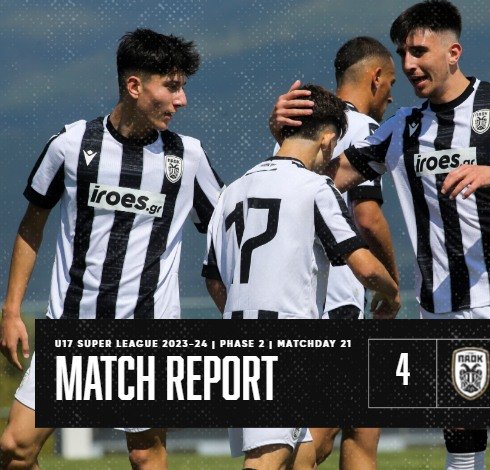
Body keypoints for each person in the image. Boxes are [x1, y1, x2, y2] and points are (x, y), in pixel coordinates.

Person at [270, 1, 490, 469]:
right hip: (441, 307)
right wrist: (284, 133)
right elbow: (324, 176)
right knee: (463, 447)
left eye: (418, 51)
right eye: (402, 54)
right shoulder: (404, 127)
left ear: (453, 52)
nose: (409, 64)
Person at [0, 28, 223, 469]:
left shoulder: (188, 157)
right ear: (134, 86)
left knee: (144, 455)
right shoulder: (70, 145)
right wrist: (11, 310)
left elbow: (227, 233)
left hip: (148, 332)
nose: (181, 100)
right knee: (15, 448)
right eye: (171, 87)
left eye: (182, 87)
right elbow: (31, 227)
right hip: (73, 326)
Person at [203, 83, 400, 470]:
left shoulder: (232, 191)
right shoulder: (315, 187)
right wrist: (392, 294)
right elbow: (363, 266)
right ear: (327, 139)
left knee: (301, 458)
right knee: (265, 462)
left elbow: (213, 278)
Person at [275, 36, 398, 470]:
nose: (391, 96)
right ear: (376, 78)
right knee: (321, 436)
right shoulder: (363, 129)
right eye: (391, 83)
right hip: (340, 295)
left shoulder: (298, 131)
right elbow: (367, 217)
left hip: (306, 292)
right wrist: (391, 284)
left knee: (361, 425)